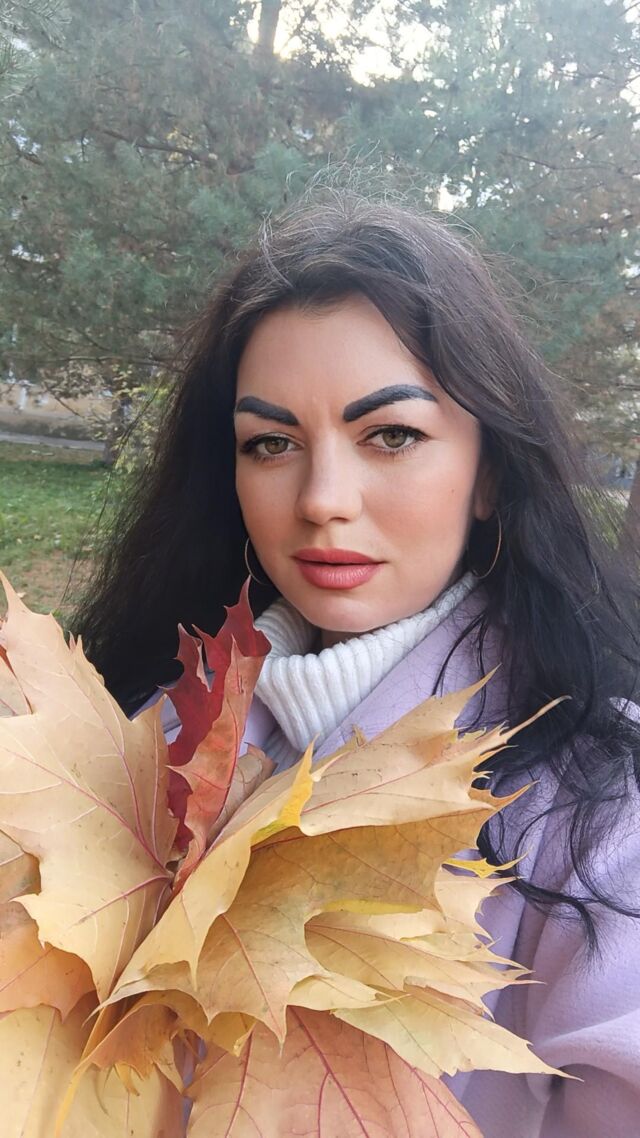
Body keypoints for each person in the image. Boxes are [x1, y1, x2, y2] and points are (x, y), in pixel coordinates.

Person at [72, 189, 640, 1137]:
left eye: (391, 435)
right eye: (272, 443)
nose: (323, 498)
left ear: (491, 473)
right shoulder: (142, 730)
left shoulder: (600, 807)